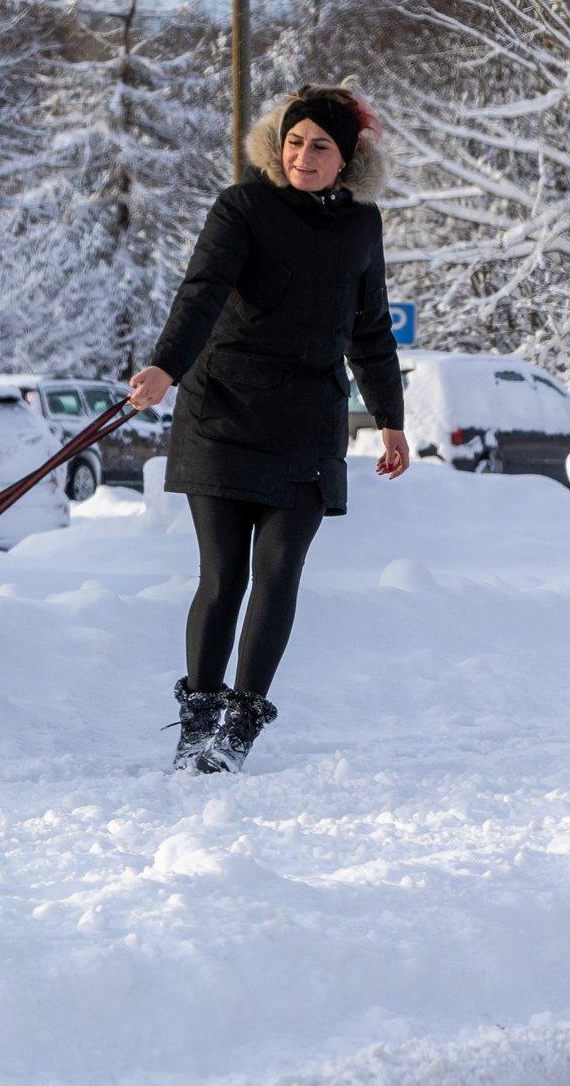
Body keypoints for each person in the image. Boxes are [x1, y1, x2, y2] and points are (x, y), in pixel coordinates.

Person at [127, 83, 408, 773]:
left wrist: (392, 418)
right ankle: (197, 719)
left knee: (279, 571)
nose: (302, 155)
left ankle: (240, 725)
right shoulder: (243, 206)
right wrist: (165, 366)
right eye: (293, 141)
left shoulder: (359, 226)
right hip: (223, 411)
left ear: (346, 159)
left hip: (308, 425)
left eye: (319, 145)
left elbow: (369, 328)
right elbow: (202, 290)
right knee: (223, 576)